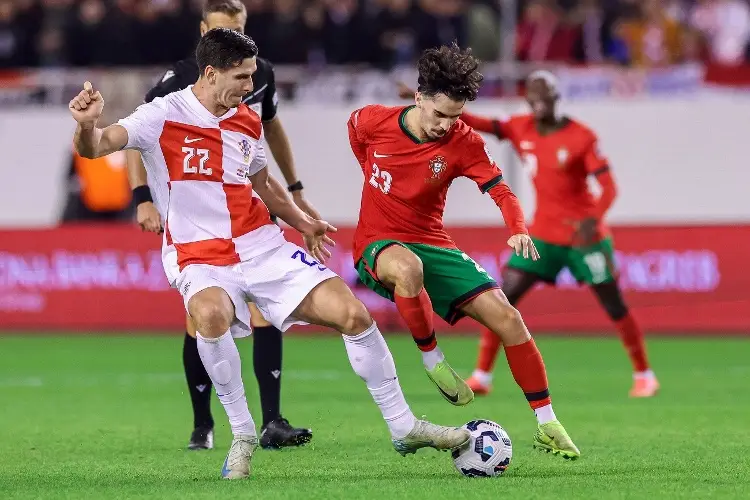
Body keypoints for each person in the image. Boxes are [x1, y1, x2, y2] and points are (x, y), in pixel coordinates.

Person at [69, 27, 471, 480]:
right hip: (200, 256)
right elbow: (97, 146)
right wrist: (86, 125)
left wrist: (304, 221)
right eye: (241, 77)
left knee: (353, 314)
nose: (249, 86)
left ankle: (404, 426)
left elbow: (262, 184)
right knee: (209, 314)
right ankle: (242, 435)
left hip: (262, 247)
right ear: (210, 72)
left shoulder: (246, 118)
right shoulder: (161, 115)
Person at [349, 43, 579, 459]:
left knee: (509, 319)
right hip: (377, 242)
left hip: (432, 240)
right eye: (438, 114)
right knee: (408, 267)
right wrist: (373, 182)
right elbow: (357, 137)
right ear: (418, 98)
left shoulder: (464, 141)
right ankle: (432, 359)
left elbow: (501, 190)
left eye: (454, 116)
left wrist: (517, 229)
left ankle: (548, 423)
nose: (445, 125)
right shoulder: (372, 120)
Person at [126, 0, 317, 450]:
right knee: (203, 318)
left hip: (248, 204)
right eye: (222, 27)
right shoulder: (177, 81)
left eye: (238, 26)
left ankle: (272, 421)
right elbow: (138, 136)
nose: (232, 32)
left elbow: (271, 129)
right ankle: (203, 423)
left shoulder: (260, 73)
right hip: (200, 213)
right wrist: (143, 198)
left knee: (265, 307)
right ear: (204, 31)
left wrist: (296, 187)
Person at [400, 71, 658, 398]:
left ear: (555, 97)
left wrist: (595, 219)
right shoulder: (519, 126)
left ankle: (644, 374)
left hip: (585, 239)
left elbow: (608, 187)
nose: (538, 104)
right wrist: (428, 100)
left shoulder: (582, 137)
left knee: (614, 304)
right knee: (501, 297)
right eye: (533, 98)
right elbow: (478, 121)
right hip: (542, 236)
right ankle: (482, 375)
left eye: (544, 97)